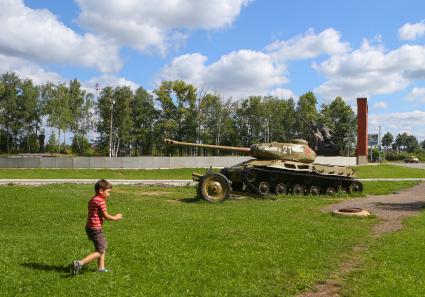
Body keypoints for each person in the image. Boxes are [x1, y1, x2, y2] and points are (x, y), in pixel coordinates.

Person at [71, 179, 123, 274]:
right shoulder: (101, 201)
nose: (109, 194)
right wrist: (115, 217)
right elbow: (106, 216)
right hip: (96, 229)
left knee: (100, 248)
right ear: (101, 191)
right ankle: (80, 263)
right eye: (108, 192)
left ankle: (101, 268)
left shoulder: (92, 200)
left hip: (89, 228)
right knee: (100, 250)